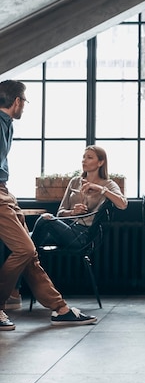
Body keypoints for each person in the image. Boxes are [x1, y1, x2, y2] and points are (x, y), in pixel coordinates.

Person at [0, 80, 96, 330]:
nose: (25, 107)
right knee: (25, 250)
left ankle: (60, 309)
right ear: (17, 101)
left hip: (5, 192)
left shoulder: (6, 124)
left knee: (30, 255)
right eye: (25, 102)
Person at [31, 145, 127, 250]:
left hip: (82, 235)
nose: (84, 161)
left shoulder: (108, 184)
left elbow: (122, 204)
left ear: (100, 162)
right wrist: (73, 212)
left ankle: (29, 260)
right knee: (25, 237)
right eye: (83, 157)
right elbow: (60, 213)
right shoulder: (75, 181)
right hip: (65, 228)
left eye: (89, 157)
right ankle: (30, 261)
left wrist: (100, 188)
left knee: (45, 218)